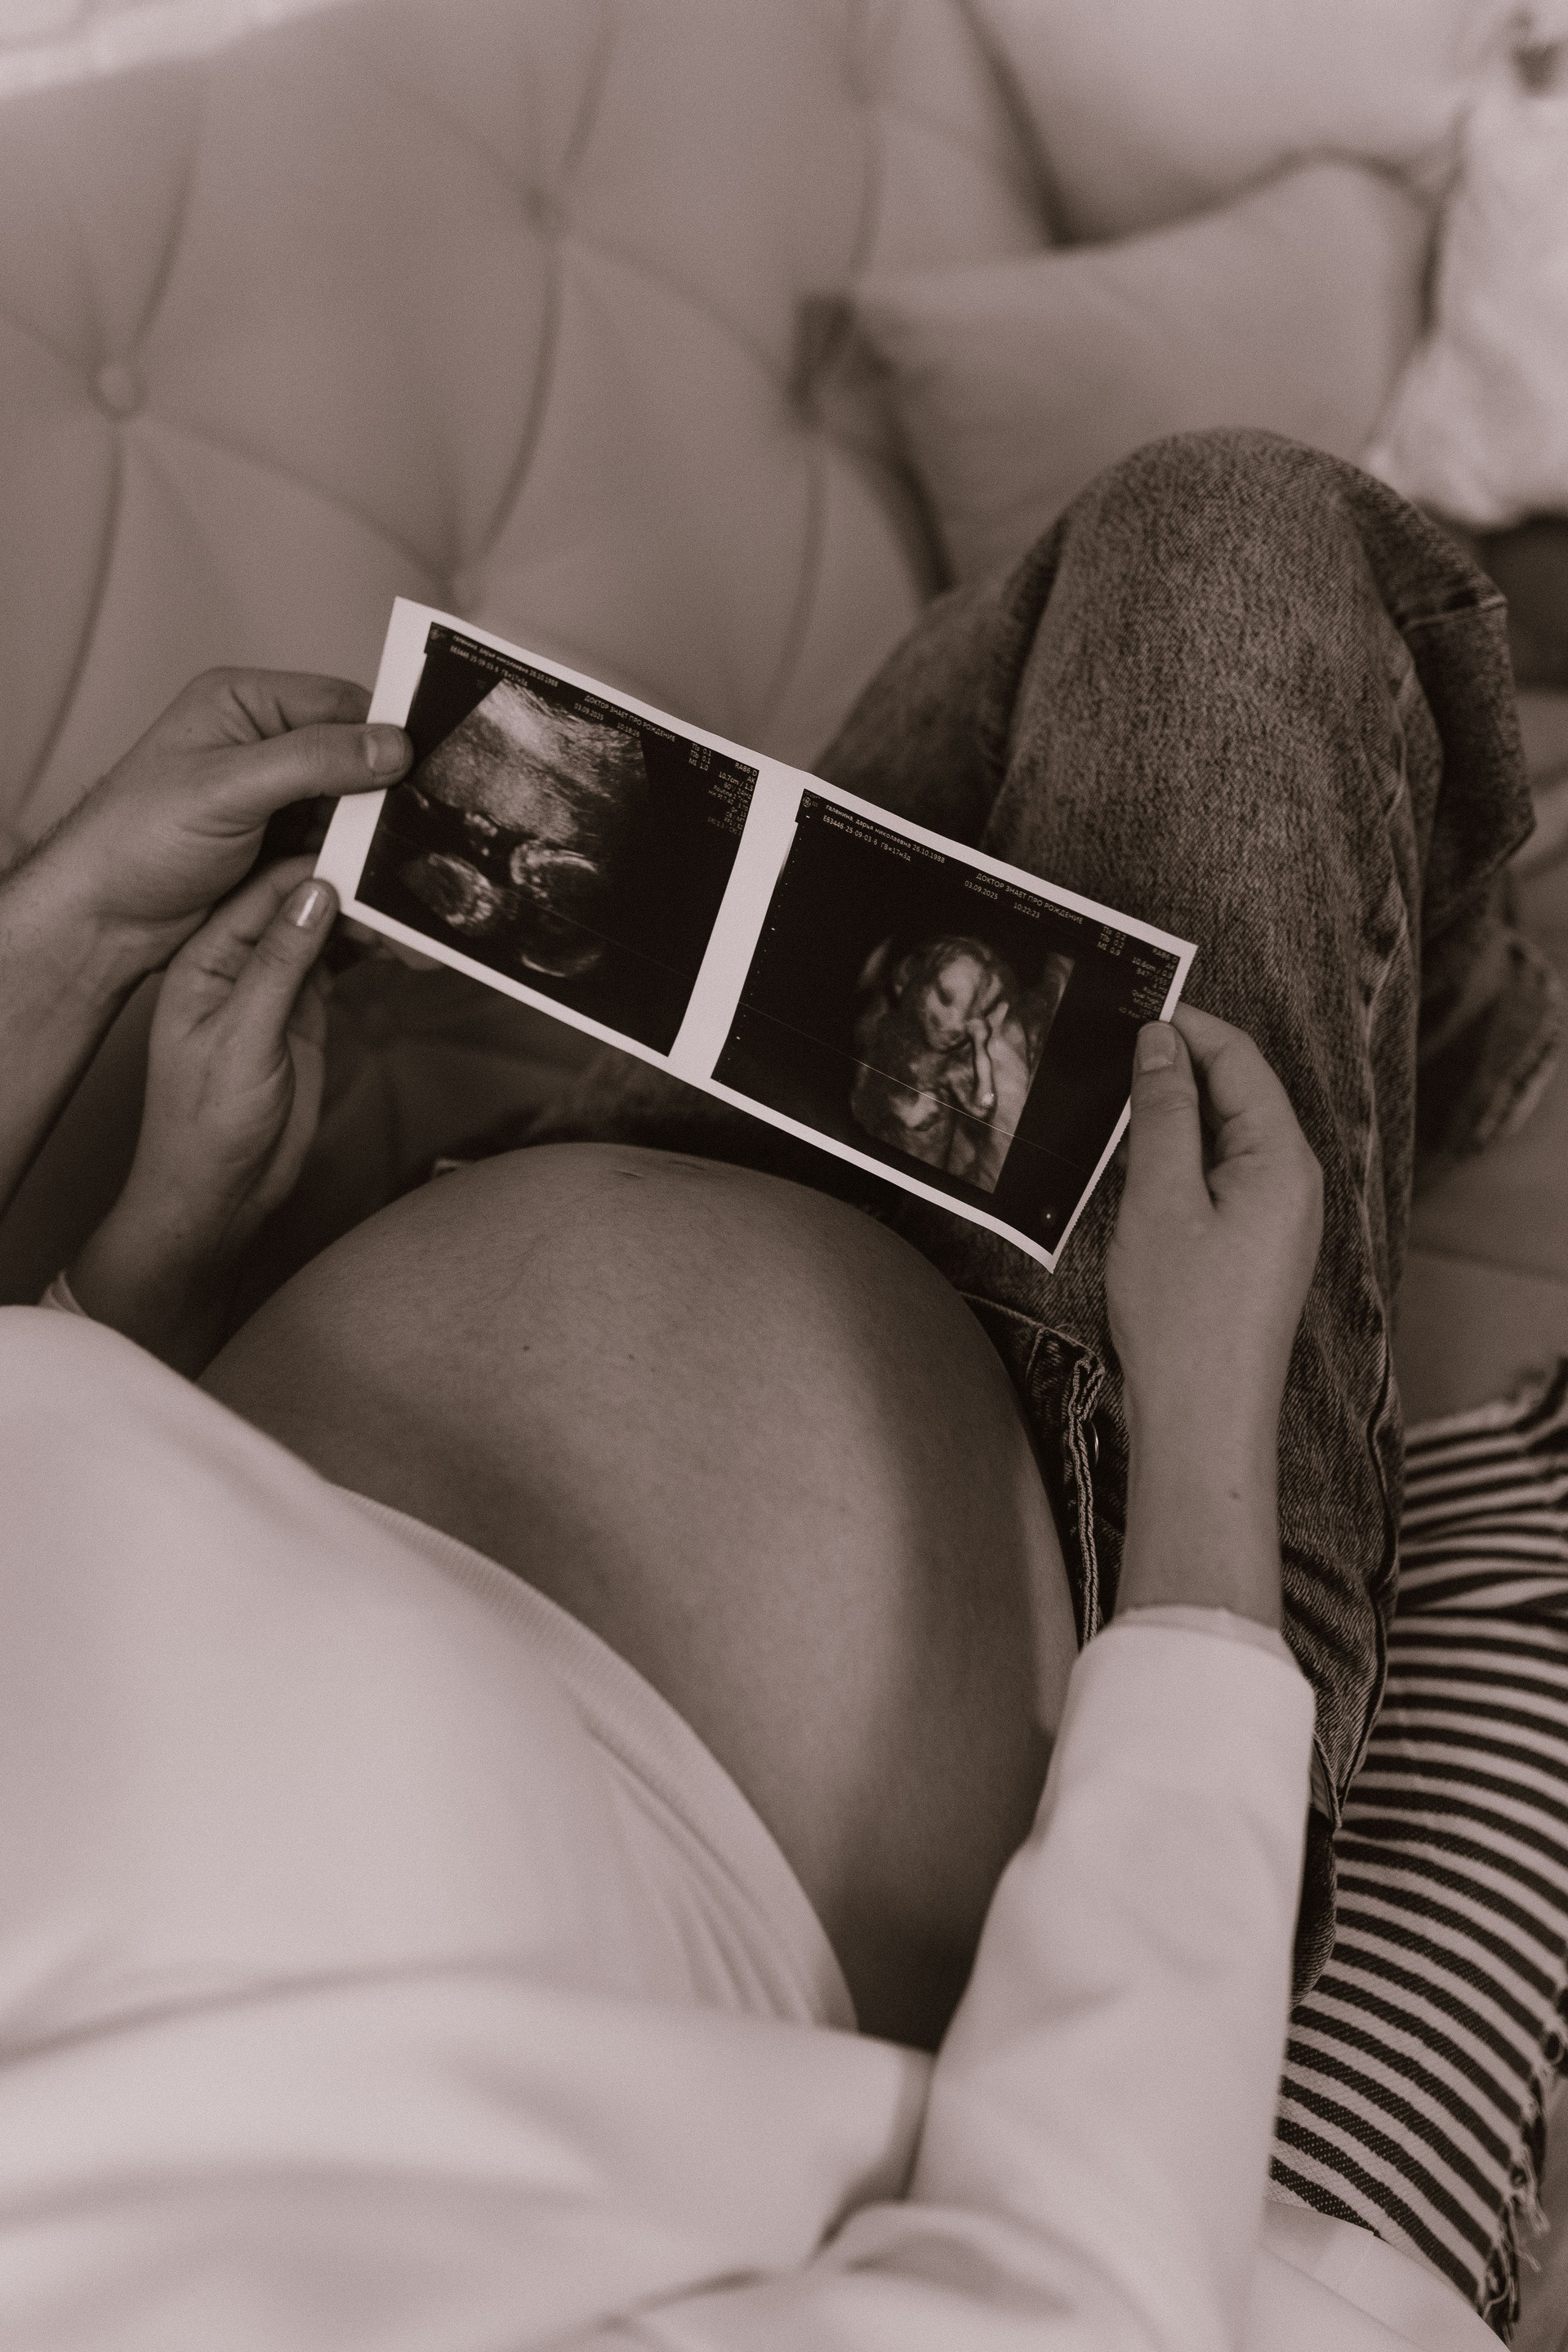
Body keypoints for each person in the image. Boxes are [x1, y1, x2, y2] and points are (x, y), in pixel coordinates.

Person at [0, 430, 1562, 2349]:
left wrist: (119, 1185)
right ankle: (1443, 1057)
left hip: (492, 1212)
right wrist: (1216, 1467)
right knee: (1227, 541)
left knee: (1083, 603)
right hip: (1096, 1495)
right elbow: (1060, 2301)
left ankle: (1442, 1036)